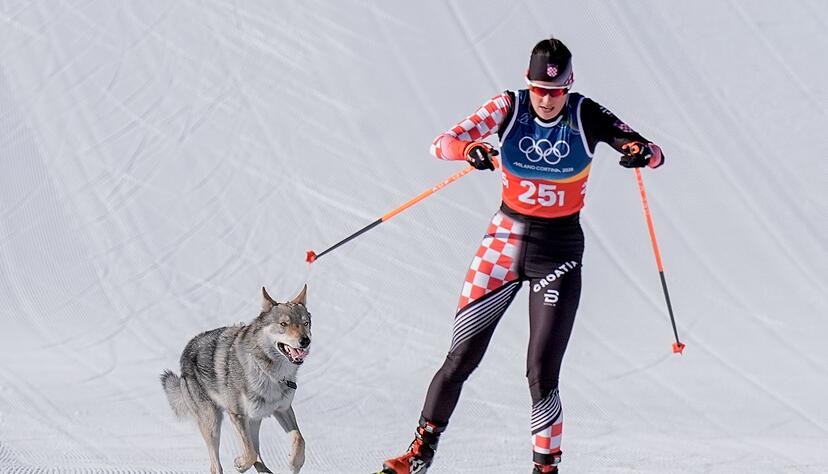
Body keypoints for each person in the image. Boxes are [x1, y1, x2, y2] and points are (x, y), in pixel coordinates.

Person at [378, 37, 665, 474]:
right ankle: (419, 454)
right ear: (526, 83)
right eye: (538, 89)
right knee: (460, 358)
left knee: (540, 372)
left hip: (558, 253)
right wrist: (469, 150)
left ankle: (545, 468)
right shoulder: (508, 107)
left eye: (555, 92)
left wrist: (641, 151)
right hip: (502, 244)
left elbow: (651, 150)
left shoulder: (585, 113)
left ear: (568, 87)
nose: (546, 100)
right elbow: (441, 143)